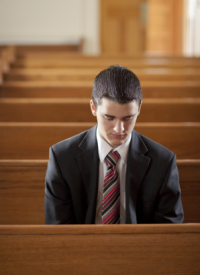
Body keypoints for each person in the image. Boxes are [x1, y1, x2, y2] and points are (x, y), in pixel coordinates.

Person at [45, 65, 184, 224]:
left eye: (128, 118)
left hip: (142, 247)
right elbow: (58, 229)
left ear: (139, 108)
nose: (119, 129)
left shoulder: (163, 162)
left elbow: (169, 231)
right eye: (109, 118)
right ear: (93, 108)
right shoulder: (62, 158)